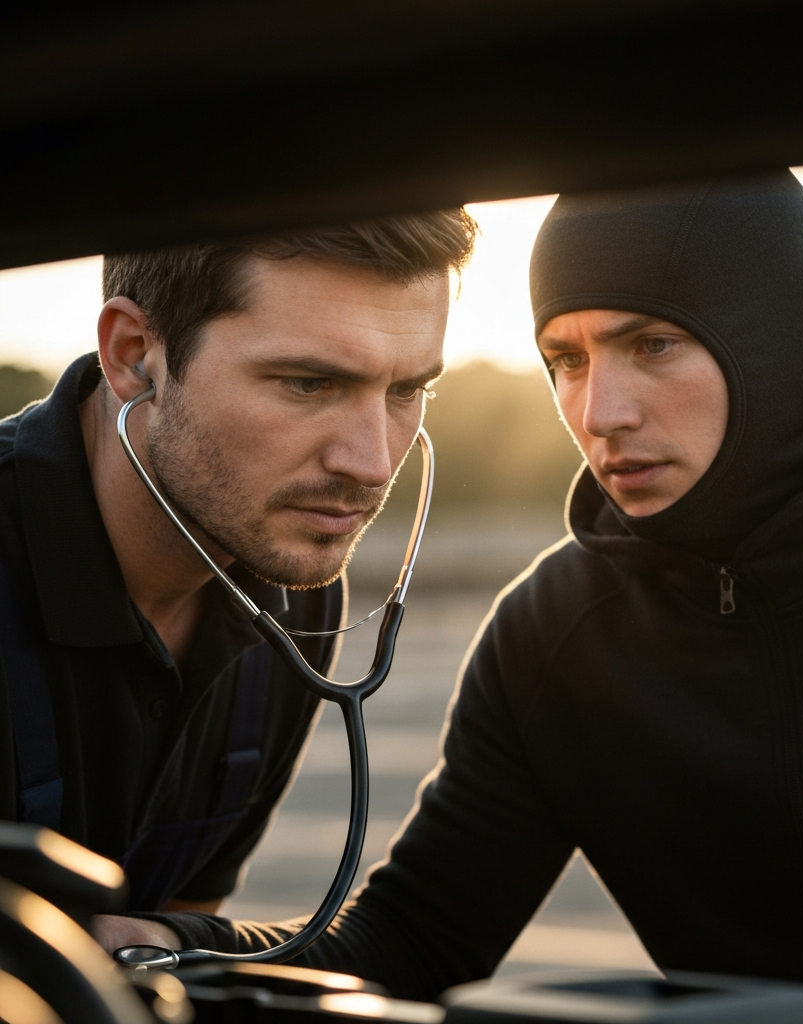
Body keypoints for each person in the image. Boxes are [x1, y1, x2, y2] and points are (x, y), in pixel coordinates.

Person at [114, 175, 803, 1024]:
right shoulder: (554, 632)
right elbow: (414, 939)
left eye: (651, 344)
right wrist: (176, 948)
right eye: (566, 359)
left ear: (773, 335)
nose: (600, 411)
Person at [0, 210, 477, 951]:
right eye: (309, 383)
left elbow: (174, 939)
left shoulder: (297, 596)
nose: (373, 463)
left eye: (405, 391)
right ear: (134, 356)